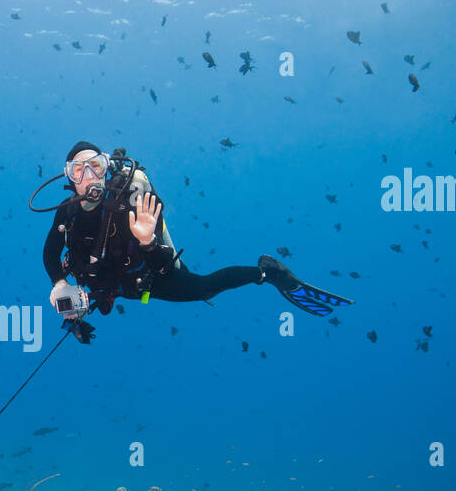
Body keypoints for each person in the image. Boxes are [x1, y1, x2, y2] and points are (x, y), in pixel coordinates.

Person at [41, 141, 353, 342]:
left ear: (106, 168)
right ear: (69, 178)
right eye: (77, 170)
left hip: (146, 281)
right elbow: (51, 254)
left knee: (202, 288)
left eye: (94, 166)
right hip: (113, 287)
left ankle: (269, 272)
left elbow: (163, 266)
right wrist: (60, 288)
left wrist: (147, 241)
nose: (87, 176)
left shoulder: (131, 206)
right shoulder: (66, 215)